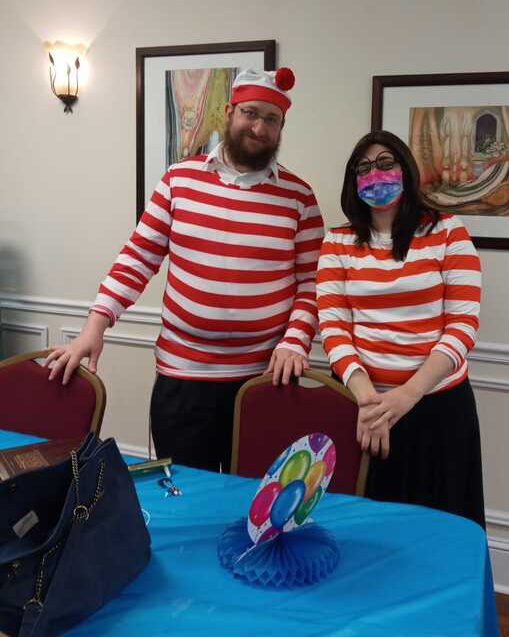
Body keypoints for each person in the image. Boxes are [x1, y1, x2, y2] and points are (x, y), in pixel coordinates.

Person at [45, 67, 325, 472]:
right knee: (186, 492)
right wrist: (95, 326)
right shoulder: (179, 180)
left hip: (265, 380)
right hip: (183, 379)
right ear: (228, 112)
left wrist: (296, 341)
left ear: (282, 127)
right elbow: (138, 257)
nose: (259, 128)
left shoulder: (299, 197)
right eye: (250, 113)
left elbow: (313, 282)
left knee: (256, 496)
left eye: (271, 119)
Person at [316, 130, 485, 528]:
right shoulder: (337, 243)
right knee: (369, 531)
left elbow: (462, 326)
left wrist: (408, 395)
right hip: (365, 410)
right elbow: (334, 329)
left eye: (385, 163)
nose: (374, 174)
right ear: (353, 181)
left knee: (440, 531)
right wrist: (369, 403)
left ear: (406, 169)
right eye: (363, 168)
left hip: (437, 409)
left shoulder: (448, 232)